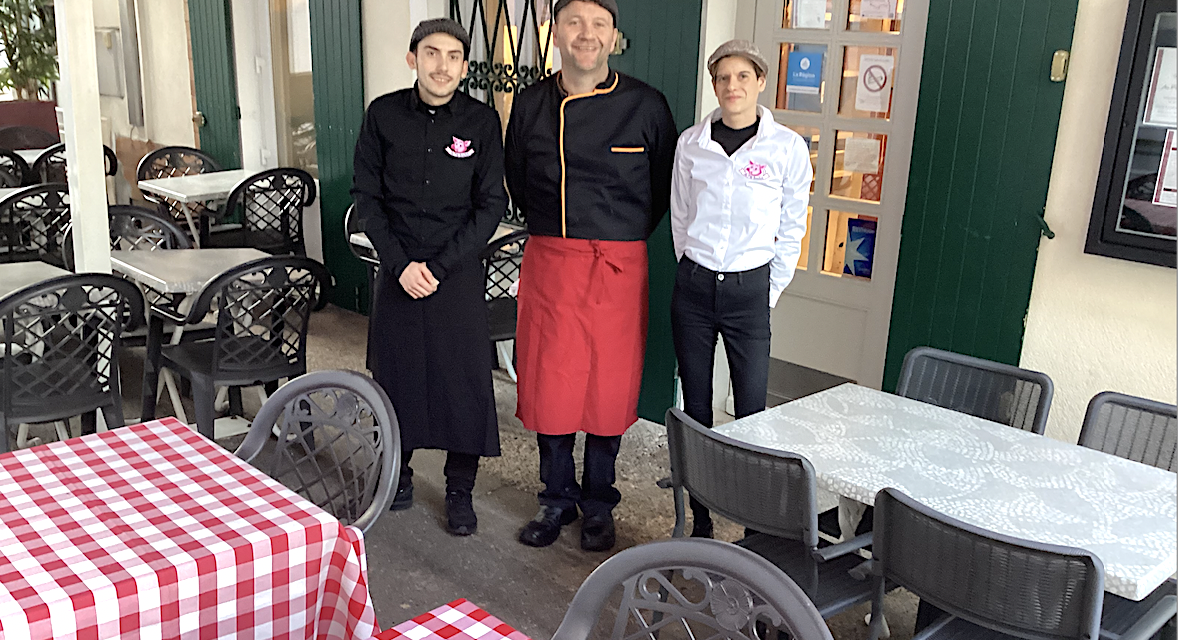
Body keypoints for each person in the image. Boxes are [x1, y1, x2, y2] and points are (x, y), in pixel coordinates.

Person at [504, 0, 677, 552]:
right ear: (556, 32)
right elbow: (516, 177)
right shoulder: (530, 103)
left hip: (617, 264)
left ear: (614, 37)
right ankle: (555, 497)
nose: (587, 34)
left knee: (608, 387)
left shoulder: (646, 105)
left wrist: (618, 235)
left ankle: (599, 502)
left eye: (598, 24)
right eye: (575, 22)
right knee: (550, 384)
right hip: (552, 262)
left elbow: (663, 188)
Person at [351, 18, 506, 536]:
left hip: (455, 270)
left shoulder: (482, 122)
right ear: (412, 57)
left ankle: (460, 488)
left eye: (453, 56)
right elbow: (367, 199)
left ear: (465, 66)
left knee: (462, 381)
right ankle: (397, 473)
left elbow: (489, 206)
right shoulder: (383, 115)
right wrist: (400, 264)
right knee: (397, 376)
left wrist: (438, 267)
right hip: (396, 267)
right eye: (431, 53)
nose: (442, 65)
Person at [669, 40, 812, 538]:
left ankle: (756, 524)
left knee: (752, 409)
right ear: (714, 85)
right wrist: (692, 267)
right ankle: (701, 515)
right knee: (697, 404)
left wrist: (767, 289)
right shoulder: (692, 144)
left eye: (742, 77)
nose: (732, 87)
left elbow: (793, 227)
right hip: (693, 288)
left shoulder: (786, 148)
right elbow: (681, 216)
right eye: (723, 78)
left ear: (760, 82)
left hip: (750, 292)